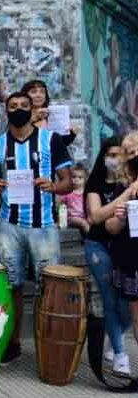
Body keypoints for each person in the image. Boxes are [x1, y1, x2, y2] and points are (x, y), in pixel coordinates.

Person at [0, 91, 73, 364]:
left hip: (43, 225)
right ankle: (12, 344)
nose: (19, 109)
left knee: (50, 288)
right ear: (6, 111)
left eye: (24, 105)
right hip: (8, 225)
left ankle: (48, 345)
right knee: (11, 286)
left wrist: (53, 186)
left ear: (32, 107)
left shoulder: (51, 139)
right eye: (13, 106)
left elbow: (68, 182)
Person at [84, 136, 134, 374]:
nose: (114, 160)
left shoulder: (130, 182)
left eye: (119, 155)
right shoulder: (95, 184)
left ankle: (114, 339)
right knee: (110, 300)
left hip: (124, 249)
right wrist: (125, 197)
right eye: (110, 155)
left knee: (126, 304)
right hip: (98, 248)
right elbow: (95, 217)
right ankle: (120, 354)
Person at [106, 132, 138, 363]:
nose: (135, 156)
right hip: (132, 259)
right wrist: (121, 216)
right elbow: (111, 228)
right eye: (131, 153)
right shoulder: (123, 187)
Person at [21, 79, 76, 146]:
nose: (38, 95)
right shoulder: (20, 115)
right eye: (33, 92)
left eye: (42, 92)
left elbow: (60, 144)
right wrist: (34, 118)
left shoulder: (52, 116)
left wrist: (71, 133)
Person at [60, 164, 88, 233]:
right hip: (72, 218)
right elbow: (61, 206)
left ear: (85, 179)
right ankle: (89, 236)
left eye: (80, 177)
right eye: (74, 177)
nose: (76, 179)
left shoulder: (87, 193)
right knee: (83, 223)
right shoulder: (68, 192)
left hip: (85, 217)